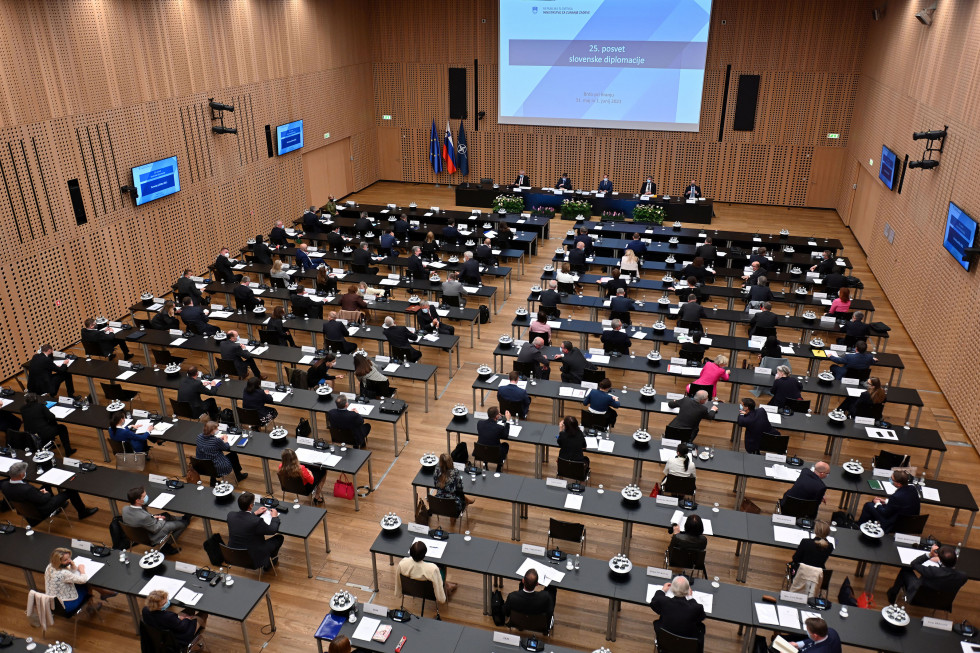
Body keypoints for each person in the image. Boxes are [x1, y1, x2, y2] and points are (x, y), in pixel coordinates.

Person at [1, 461, 98, 523]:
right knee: (71, 491)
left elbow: (31, 495)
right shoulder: (27, 489)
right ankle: (82, 512)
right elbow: (43, 500)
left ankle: (60, 504)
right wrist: (45, 493)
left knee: (46, 485)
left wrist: (41, 492)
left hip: (26, 510)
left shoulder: (4, 485)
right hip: (41, 510)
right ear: (22, 474)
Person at [886, 544, 967, 605]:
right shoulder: (963, 576)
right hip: (942, 603)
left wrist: (930, 555)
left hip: (917, 598)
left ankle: (893, 594)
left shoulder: (932, 571)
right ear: (956, 559)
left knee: (905, 570)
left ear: (941, 560)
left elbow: (914, 564)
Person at [45, 547, 116, 616]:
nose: (69, 561)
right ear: (59, 561)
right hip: (66, 605)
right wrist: (82, 569)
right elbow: (83, 579)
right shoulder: (64, 573)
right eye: (65, 560)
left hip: (52, 601)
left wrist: (73, 566)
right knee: (87, 584)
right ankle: (92, 605)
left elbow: (68, 575)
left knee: (80, 583)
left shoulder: (50, 566)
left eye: (69, 558)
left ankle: (103, 593)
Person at [122, 486, 188, 554]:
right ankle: (166, 546)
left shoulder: (125, 509)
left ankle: (181, 518)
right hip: (151, 536)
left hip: (136, 534)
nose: (146, 497)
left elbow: (140, 518)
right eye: (144, 496)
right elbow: (155, 529)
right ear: (137, 500)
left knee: (165, 514)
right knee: (183, 524)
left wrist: (153, 516)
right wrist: (160, 519)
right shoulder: (144, 517)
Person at [227, 492, 283, 570]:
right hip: (253, 559)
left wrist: (255, 513)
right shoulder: (256, 521)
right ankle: (268, 563)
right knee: (279, 538)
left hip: (235, 555)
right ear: (251, 505)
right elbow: (272, 530)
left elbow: (244, 522)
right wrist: (274, 517)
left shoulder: (230, 515)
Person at [142, 589, 207, 650]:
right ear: (157, 606)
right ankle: (199, 633)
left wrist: (178, 619)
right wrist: (186, 619)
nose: (167, 602)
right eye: (164, 603)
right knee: (203, 614)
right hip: (178, 640)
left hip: (160, 637)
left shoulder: (145, 610)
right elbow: (183, 627)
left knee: (190, 609)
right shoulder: (168, 616)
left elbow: (171, 621)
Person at [648, 576, 705, 644]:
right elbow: (702, 617)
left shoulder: (664, 602)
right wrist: (690, 598)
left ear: (672, 590)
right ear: (687, 591)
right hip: (688, 644)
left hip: (665, 642)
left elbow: (654, 602)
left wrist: (663, 590)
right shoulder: (696, 608)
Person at [789, 521, 834, 597]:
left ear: (815, 531)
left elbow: (795, 559)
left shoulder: (805, 542)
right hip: (818, 576)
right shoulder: (830, 546)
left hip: (800, 572)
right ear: (827, 533)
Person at [434, 452, 472, 516]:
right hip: (453, 505)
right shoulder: (455, 472)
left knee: (452, 493)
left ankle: (467, 500)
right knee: (457, 494)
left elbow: (436, 485)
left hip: (439, 503)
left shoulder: (436, 472)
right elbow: (460, 488)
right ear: (451, 461)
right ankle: (453, 517)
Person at [476, 406, 510, 471]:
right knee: (505, 445)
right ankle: (499, 466)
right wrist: (508, 421)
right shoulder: (499, 428)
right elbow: (505, 435)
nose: (500, 414)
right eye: (499, 413)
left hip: (481, 452)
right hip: (495, 455)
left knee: (486, 443)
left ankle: (485, 463)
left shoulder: (479, 423)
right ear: (497, 417)